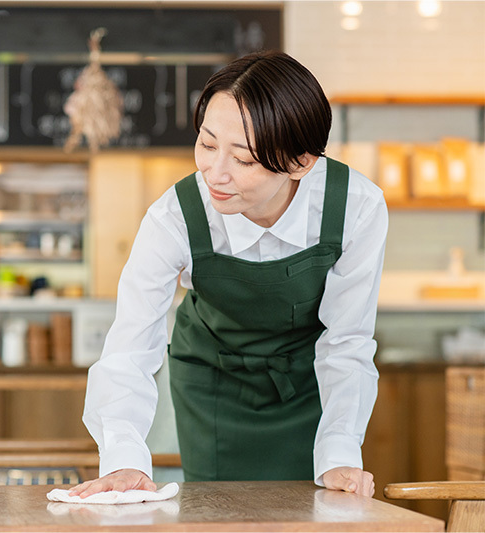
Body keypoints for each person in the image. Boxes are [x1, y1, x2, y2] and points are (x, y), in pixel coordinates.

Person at [70, 50, 387, 498]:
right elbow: (129, 347)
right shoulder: (175, 217)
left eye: (242, 159)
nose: (215, 173)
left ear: (300, 162)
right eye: (207, 143)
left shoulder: (356, 207)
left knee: (314, 511)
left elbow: (347, 341)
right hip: (211, 381)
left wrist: (340, 453)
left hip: (308, 385)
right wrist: (123, 457)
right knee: (220, 512)